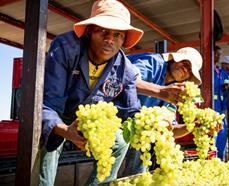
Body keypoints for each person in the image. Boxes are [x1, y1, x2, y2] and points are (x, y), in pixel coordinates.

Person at [39, 0, 144, 185]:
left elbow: (131, 112)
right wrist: (64, 130)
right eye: (103, 31)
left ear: (124, 40)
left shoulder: (126, 70)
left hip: (89, 121)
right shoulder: (65, 48)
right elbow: (48, 102)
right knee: (49, 143)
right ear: (89, 32)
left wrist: (158, 127)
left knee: (121, 141)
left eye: (118, 34)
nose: (110, 39)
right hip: (59, 112)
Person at [122, 47, 203, 176]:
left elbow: (170, 130)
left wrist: (193, 126)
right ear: (175, 59)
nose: (185, 69)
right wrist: (162, 92)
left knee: (145, 141)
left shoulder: (174, 93)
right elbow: (127, 81)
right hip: (116, 118)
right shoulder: (153, 62)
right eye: (185, 63)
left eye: (189, 70)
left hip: (136, 132)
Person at [213, 46, 229, 160]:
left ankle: (220, 158)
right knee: (212, 132)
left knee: (223, 131)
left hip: (220, 106)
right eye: (217, 54)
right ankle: (211, 158)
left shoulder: (221, 72)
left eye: (220, 54)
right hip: (210, 106)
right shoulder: (205, 70)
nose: (219, 57)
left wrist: (227, 87)